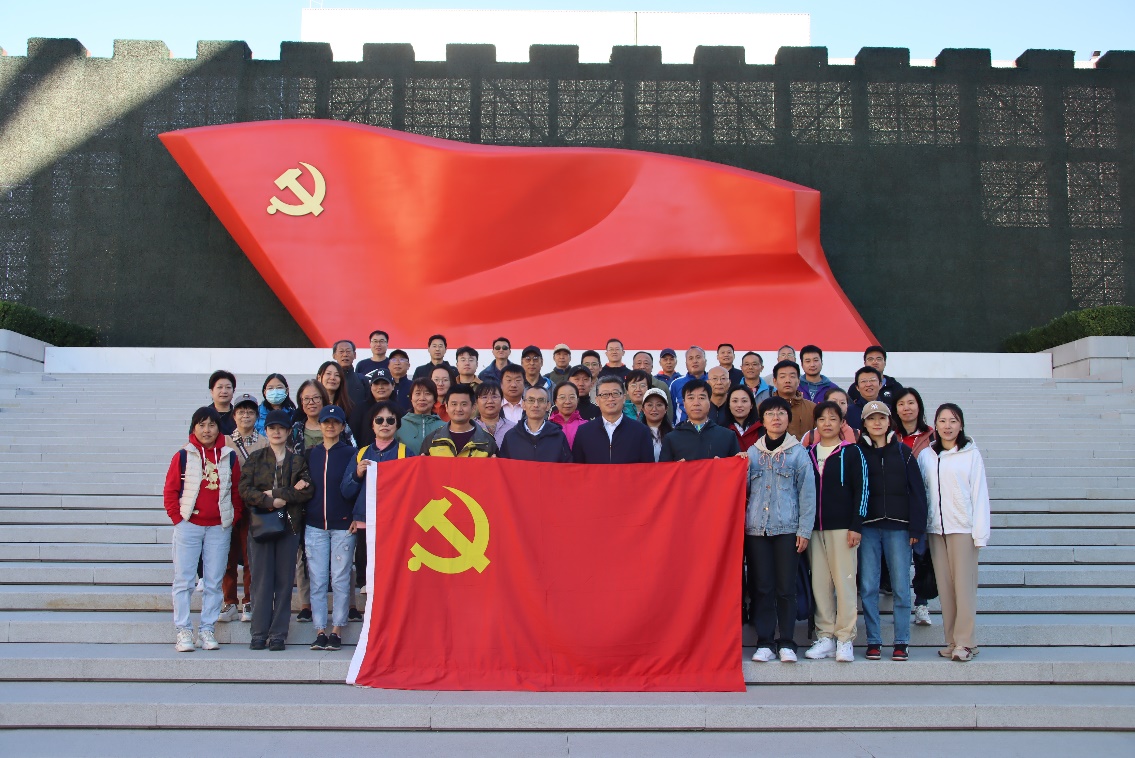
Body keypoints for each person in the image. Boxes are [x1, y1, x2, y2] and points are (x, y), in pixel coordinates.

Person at [162, 407, 242, 652]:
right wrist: (178, 519)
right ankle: (183, 630)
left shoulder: (229, 456)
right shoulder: (183, 455)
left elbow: (236, 492)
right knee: (184, 581)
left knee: (214, 582)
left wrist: (232, 518)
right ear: (194, 428)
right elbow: (170, 490)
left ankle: (207, 629)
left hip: (218, 528)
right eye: (202, 425)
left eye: (212, 425)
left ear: (219, 428)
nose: (207, 430)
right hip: (189, 525)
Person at [744, 396, 815, 663]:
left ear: (788, 419)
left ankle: (786, 641)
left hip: (788, 529)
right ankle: (764, 642)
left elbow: (807, 494)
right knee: (762, 587)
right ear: (762, 421)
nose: (776, 418)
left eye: (781, 413)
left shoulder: (798, 453)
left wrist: (804, 530)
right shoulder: (751, 453)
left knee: (786, 588)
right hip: (756, 531)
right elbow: (742, 491)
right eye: (770, 414)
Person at [918, 403, 990, 663]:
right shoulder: (926, 456)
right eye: (942, 421)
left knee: (964, 587)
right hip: (936, 530)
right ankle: (952, 641)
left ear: (961, 425)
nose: (947, 426)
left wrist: (980, 533)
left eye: (953, 421)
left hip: (963, 529)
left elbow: (979, 494)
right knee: (946, 589)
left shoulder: (971, 455)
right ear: (935, 425)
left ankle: (965, 642)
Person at [857, 400, 927, 662]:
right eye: (871, 418)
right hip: (868, 528)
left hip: (899, 527)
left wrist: (916, 527)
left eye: (882, 418)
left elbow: (918, 492)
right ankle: (874, 641)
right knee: (868, 586)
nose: (877, 423)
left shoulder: (903, 452)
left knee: (900, 586)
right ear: (864, 424)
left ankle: (901, 641)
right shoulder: (857, 453)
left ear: (889, 422)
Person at [238, 409, 312, 651]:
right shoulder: (256, 458)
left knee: (283, 581)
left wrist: (277, 494)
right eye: (272, 428)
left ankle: (278, 633)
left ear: (289, 431)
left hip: (289, 526)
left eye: (281, 428)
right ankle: (259, 632)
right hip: (261, 526)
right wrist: (270, 501)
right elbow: (245, 489)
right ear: (266, 431)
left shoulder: (297, 461)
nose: (277, 432)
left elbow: (306, 490)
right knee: (261, 581)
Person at [802, 401, 866, 664]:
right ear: (815, 424)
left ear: (842, 423)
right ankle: (825, 636)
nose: (827, 423)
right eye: (821, 419)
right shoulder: (808, 453)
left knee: (845, 583)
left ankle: (845, 638)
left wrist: (856, 525)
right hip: (814, 529)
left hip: (843, 529)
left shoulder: (851, 452)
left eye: (832, 418)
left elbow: (862, 490)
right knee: (820, 585)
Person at [342, 401, 416, 602]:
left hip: (395, 524)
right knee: (367, 580)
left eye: (390, 420)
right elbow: (346, 491)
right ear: (372, 425)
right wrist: (357, 475)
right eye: (380, 420)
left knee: (393, 577)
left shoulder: (406, 453)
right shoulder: (360, 453)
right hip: (365, 523)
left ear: (397, 424)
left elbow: (413, 491)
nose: (385, 424)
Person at [303, 405, 356, 651]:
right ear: (320, 425)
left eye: (335, 422)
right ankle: (320, 630)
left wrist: (356, 516)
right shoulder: (310, 454)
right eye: (326, 422)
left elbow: (356, 487)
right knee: (317, 578)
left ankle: (337, 629)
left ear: (342, 426)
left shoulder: (351, 453)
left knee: (341, 577)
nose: (330, 426)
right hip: (314, 525)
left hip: (343, 525)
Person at [220, 393, 267, 624]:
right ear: (234, 415)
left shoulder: (264, 442)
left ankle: (249, 600)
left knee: (251, 557)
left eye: (250, 412)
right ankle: (229, 602)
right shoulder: (224, 442)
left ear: (256, 416)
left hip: (253, 508)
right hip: (229, 505)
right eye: (241, 411)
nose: (245, 415)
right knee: (227, 556)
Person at [892, 387, 936, 626]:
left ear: (919, 406)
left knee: (922, 557)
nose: (906, 408)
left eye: (910, 403)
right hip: (897, 506)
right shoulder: (890, 436)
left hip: (924, 503)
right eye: (901, 404)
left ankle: (922, 604)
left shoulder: (932, 437)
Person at [572, 376, 654, 464]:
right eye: (605, 395)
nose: (610, 399)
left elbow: (648, 468)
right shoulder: (584, 432)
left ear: (624, 398)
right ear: (597, 400)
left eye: (615, 393)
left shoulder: (641, 431)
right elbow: (578, 468)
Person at [659, 379, 739, 461]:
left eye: (701, 398)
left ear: (710, 402)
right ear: (684, 403)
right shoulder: (671, 438)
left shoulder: (728, 436)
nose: (696, 403)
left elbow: (737, 467)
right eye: (691, 398)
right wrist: (677, 467)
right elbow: (664, 468)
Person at [422, 385, 499, 457]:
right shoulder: (433, 440)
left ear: (473, 407)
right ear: (446, 407)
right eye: (454, 404)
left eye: (464, 404)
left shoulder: (487, 441)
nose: (458, 409)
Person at [499, 386, 573, 462]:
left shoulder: (558, 436)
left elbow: (567, 466)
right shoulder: (511, 436)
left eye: (541, 400)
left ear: (548, 406)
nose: (536, 405)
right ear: (523, 404)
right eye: (531, 400)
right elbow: (503, 466)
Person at [348, 368, 395, 449]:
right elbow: (352, 437)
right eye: (376, 383)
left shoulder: (399, 410)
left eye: (385, 383)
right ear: (371, 386)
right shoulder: (359, 409)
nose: (380, 387)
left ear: (393, 386)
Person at [770, 360, 816, 441]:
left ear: (798, 381)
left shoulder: (812, 408)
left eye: (792, 376)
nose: (787, 380)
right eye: (782, 376)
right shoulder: (764, 407)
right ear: (775, 381)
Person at [397, 378, 445, 452]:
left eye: (427, 394)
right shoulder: (399, 425)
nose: (422, 398)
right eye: (417, 393)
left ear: (435, 399)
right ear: (411, 398)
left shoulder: (444, 427)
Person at [670, 346, 708, 423]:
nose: (695, 361)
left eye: (698, 357)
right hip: (682, 429)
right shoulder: (676, 384)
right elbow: (671, 413)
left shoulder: (714, 382)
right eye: (691, 358)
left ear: (705, 361)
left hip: (710, 428)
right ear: (686, 363)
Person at [474, 381, 516, 449]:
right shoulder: (469, 428)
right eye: (484, 397)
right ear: (476, 402)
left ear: (501, 400)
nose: (490, 401)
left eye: (494, 397)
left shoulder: (514, 428)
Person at [332, 339, 369, 410]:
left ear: (354, 355)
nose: (345, 355)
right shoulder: (330, 380)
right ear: (334, 356)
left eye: (348, 351)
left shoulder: (362, 379)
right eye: (341, 351)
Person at [550, 380, 586, 449]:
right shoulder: (547, 426)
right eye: (562, 397)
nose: (567, 402)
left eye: (572, 397)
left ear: (577, 400)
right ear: (555, 402)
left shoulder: (586, 426)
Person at [640, 388, 673, 461]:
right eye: (650, 405)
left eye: (659, 405)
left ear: (666, 409)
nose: (654, 409)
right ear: (643, 409)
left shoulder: (674, 434)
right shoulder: (635, 433)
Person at [726, 384, 762, 451]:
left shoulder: (763, 428)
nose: (739, 405)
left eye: (744, 401)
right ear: (729, 405)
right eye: (735, 401)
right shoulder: (722, 429)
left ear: (751, 405)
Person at [208, 370, 237, 436]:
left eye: (228, 387)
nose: (224, 391)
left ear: (233, 391)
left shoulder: (239, 415)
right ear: (211, 391)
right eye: (220, 387)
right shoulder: (203, 415)